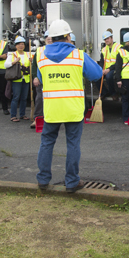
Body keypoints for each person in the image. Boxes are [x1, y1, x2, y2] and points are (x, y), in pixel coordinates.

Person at [36, 20, 103, 192]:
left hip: (52, 108)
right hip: (73, 109)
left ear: (51, 37)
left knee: (47, 143)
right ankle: (72, 182)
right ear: (68, 36)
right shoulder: (78, 55)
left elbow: (42, 79)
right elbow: (96, 74)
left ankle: (43, 179)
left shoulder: (41, 55)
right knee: (72, 144)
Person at [5, 36, 32, 122]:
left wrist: (32, 61)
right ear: (16, 46)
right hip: (17, 79)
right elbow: (6, 65)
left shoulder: (28, 54)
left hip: (26, 78)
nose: (21, 46)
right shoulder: (12, 55)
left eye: (23, 44)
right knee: (16, 97)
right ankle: (13, 116)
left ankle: (22, 114)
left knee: (24, 98)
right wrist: (14, 61)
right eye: (19, 44)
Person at [100, 30, 121, 98]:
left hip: (115, 68)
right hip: (106, 69)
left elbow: (119, 62)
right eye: (105, 39)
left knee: (109, 77)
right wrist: (101, 70)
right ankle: (104, 92)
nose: (106, 40)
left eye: (108, 38)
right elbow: (102, 62)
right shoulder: (103, 49)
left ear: (112, 38)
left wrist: (109, 69)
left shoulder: (119, 47)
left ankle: (113, 93)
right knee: (97, 76)